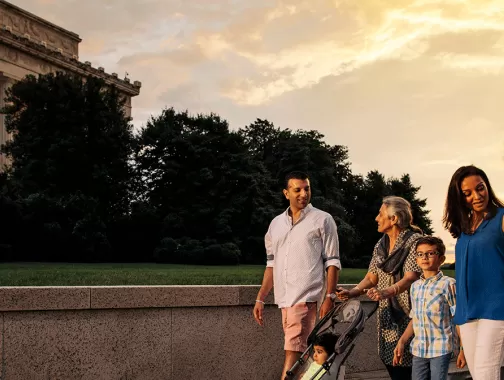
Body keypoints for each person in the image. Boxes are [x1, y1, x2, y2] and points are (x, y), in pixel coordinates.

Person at [252, 171, 341, 380]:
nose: (303, 193)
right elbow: (271, 264)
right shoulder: (276, 224)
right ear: (286, 193)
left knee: (293, 351)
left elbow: (333, 261)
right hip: (284, 299)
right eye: (297, 189)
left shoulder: (323, 220)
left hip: (306, 297)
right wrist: (261, 297)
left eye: (307, 188)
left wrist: (330, 297)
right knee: (303, 352)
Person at [336, 196, 423, 380]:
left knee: (409, 366)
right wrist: (353, 292)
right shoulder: (381, 245)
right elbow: (371, 276)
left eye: (380, 214)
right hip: (387, 314)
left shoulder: (414, 242)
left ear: (394, 219)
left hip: (410, 314)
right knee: (390, 360)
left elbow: (410, 278)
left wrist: (385, 292)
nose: (376, 218)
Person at [443, 165, 504, 379]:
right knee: (477, 373)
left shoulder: (502, 218)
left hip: (496, 308)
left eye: (481, 188)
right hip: (467, 311)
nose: (477, 196)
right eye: (467, 194)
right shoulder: (464, 227)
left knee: (487, 374)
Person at [393, 236, 466, 380]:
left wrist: (463, 349)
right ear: (416, 259)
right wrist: (401, 342)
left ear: (441, 259)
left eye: (430, 253)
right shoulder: (415, 287)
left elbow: (458, 319)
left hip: (441, 348)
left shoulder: (449, 284)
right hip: (419, 349)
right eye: (420, 254)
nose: (424, 257)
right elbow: (415, 318)